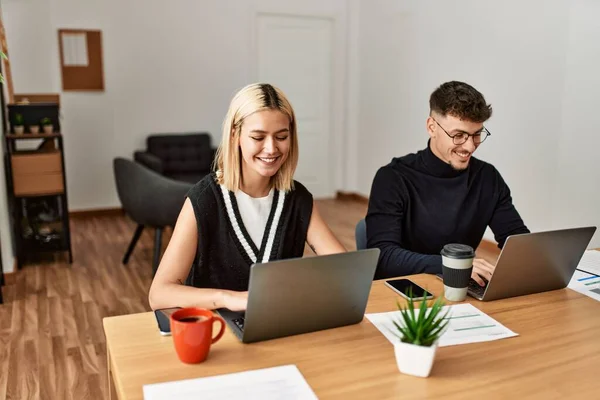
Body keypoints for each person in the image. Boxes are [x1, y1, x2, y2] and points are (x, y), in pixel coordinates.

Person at [149, 83, 346, 311]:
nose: (271, 148)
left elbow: (344, 270)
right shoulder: (205, 199)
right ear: (236, 135)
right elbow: (159, 294)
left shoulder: (297, 199)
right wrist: (228, 299)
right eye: (258, 137)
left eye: (281, 136)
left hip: (279, 328)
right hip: (218, 333)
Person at [366, 81, 529, 285]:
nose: (469, 146)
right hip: (404, 290)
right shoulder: (393, 178)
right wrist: (454, 265)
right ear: (432, 127)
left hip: (458, 286)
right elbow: (384, 257)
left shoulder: (487, 177)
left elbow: (517, 240)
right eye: (458, 135)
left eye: (477, 134)